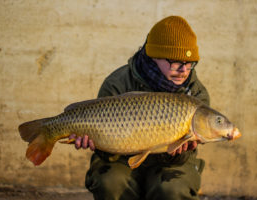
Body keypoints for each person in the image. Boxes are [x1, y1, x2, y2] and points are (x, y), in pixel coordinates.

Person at [70, 16, 210, 200]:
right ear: (154, 56)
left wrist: (176, 153)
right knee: (110, 182)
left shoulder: (196, 94)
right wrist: (97, 143)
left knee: (172, 189)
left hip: (169, 165)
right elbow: (106, 151)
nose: (184, 70)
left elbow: (184, 158)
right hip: (119, 159)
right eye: (176, 61)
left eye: (190, 63)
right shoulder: (117, 83)